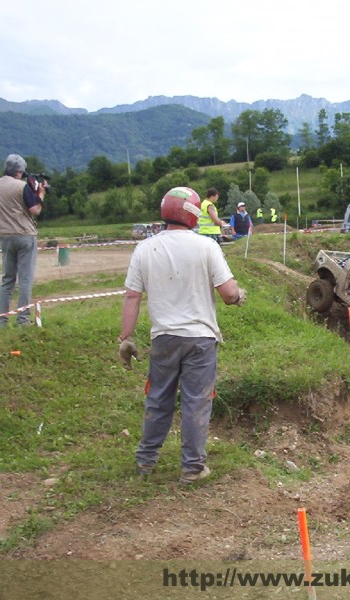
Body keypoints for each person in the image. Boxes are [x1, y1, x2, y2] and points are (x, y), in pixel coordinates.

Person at [118, 186, 247, 484]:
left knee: (158, 398)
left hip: (164, 337)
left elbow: (132, 297)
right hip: (200, 339)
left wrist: (125, 337)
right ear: (192, 213)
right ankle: (192, 468)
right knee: (196, 401)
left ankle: (145, 462)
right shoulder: (206, 247)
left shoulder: (145, 249)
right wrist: (239, 294)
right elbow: (228, 294)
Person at [0, 153, 46, 326]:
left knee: (7, 279)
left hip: (4, 236)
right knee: (25, 279)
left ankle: (1, 320)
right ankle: (23, 318)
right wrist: (41, 194)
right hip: (24, 234)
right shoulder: (21, 187)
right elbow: (35, 210)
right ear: (20, 171)